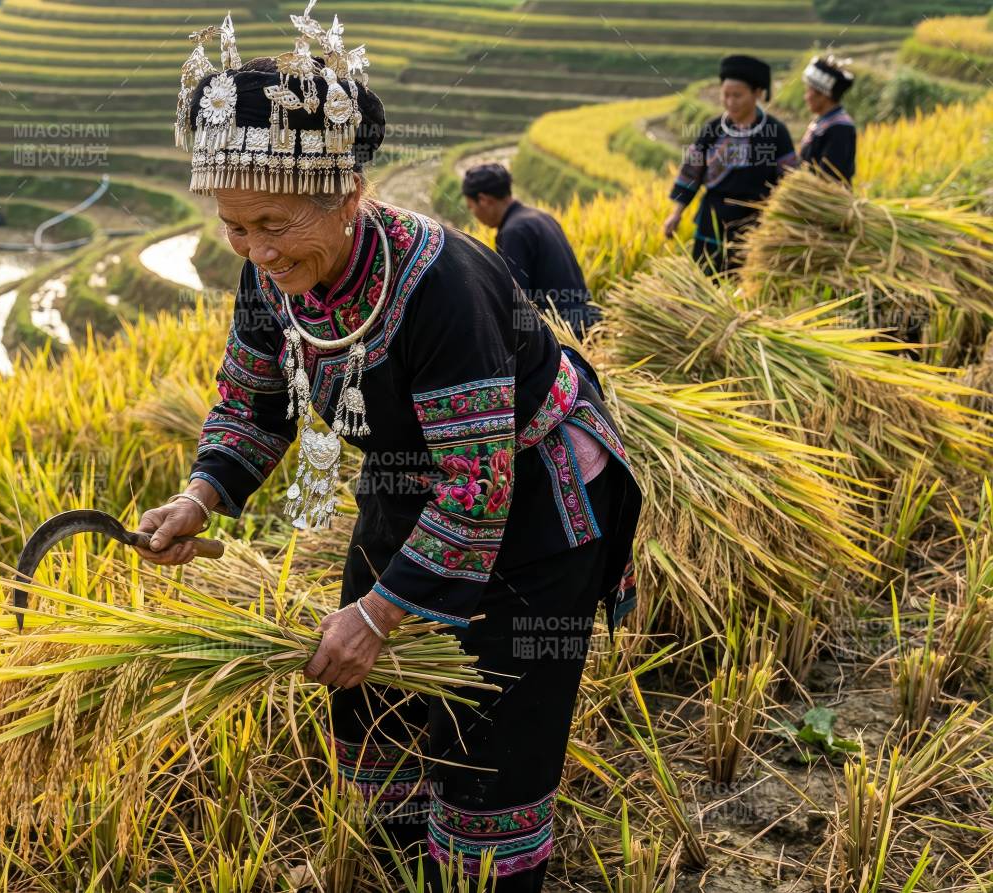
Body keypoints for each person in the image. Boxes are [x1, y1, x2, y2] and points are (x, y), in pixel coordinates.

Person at [138, 11, 643, 891]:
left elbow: (478, 487)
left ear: (348, 191)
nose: (256, 250)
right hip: (409, 486)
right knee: (372, 707)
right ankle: (409, 865)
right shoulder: (270, 279)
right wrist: (201, 496)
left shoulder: (442, 284)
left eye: (273, 222)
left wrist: (378, 613)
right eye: (233, 226)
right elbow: (251, 402)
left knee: (491, 737)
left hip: (529, 505)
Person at [664, 54, 797, 276]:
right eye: (725, 95)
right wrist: (676, 213)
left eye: (737, 95)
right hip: (712, 223)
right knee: (707, 283)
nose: (730, 102)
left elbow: (790, 179)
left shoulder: (775, 133)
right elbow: (691, 173)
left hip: (756, 227)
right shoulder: (713, 129)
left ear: (757, 94)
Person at [461, 162, 602, 338]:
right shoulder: (540, 217)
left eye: (471, 207)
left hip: (565, 332)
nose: (473, 213)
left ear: (483, 200)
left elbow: (518, 300)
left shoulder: (514, 232)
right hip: (587, 321)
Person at [799, 54, 857, 184]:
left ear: (824, 95)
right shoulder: (821, 123)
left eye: (809, 91)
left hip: (825, 200)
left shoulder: (840, 128)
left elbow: (830, 177)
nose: (806, 97)